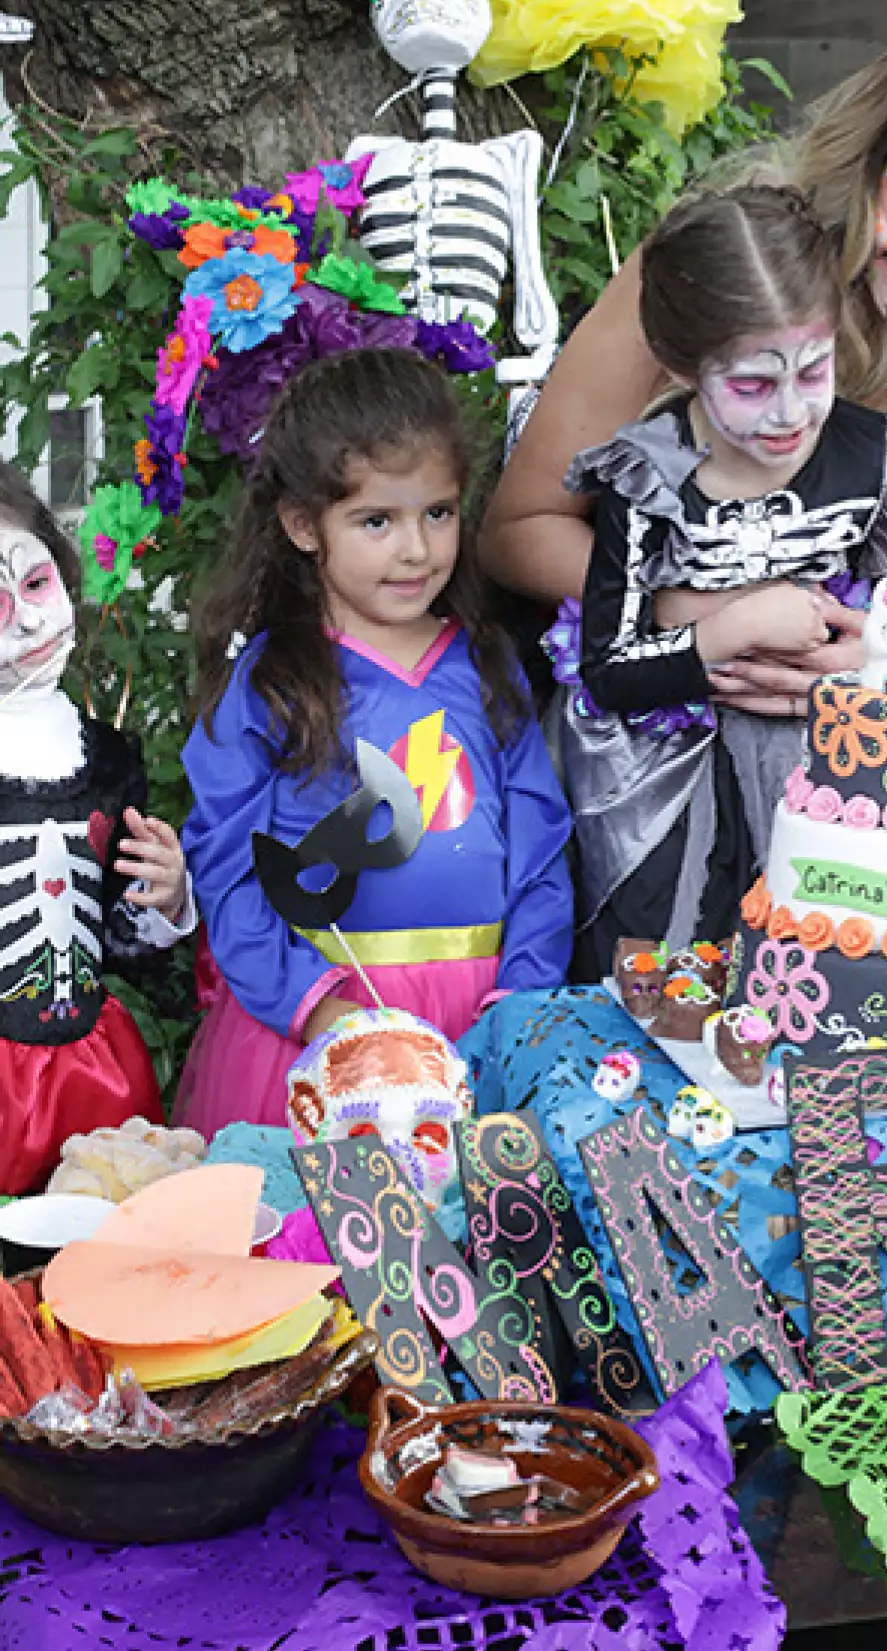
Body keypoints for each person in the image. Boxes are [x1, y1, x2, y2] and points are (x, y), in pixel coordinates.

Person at [482, 9, 887, 687]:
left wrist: (878, 658)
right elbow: (517, 531)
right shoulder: (727, 263)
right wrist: (708, 620)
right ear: (865, 169)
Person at [178, 347, 572, 1136]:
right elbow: (226, 867)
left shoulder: (488, 665)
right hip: (327, 1024)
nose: (417, 549)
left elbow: (540, 850)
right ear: (302, 525)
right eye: (376, 521)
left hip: (476, 1025)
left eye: (438, 512)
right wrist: (320, 1009)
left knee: (465, 1239)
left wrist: (519, 1000)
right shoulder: (274, 681)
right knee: (326, 1239)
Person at [558, 183, 887, 972]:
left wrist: (874, 657)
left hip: (827, 765)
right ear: (681, 366)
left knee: (822, 972)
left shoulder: (877, 462)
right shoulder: (648, 478)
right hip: (667, 778)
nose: (790, 413)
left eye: (814, 369)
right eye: (752, 385)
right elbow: (607, 671)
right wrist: (731, 628)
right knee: (667, 970)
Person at [0, 464, 190, 1191]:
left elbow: (123, 939)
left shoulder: (107, 758)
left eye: (37, 584)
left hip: (95, 1072)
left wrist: (165, 899)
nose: (27, 621)